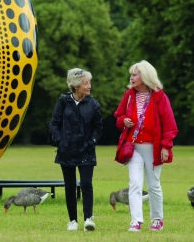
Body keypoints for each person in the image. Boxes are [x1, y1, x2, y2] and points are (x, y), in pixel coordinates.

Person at [113, 60, 178, 233]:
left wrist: (166, 146)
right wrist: (123, 121)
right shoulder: (129, 95)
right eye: (131, 74)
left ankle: (157, 220)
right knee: (134, 183)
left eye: (135, 74)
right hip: (133, 147)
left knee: (153, 184)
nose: (131, 77)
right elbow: (118, 116)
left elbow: (170, 125)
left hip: (153, 148)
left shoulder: (160, 97)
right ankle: (136, 221)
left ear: (145, 76)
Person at [49, 68, 103, 232]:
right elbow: (54, 123)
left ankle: (88, 219)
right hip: (66, 151)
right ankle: (72, 221)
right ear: (76, 85)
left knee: (86, 184)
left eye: (89, 83)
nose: (89, 86)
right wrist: (60, 141)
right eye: (86, 83)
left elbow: (98, 128)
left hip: (86, 152)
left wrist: (91, 142)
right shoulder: (63, 101)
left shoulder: (93, 104)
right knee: (70, 186)